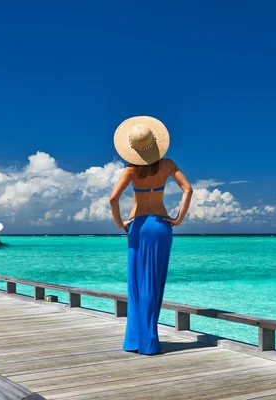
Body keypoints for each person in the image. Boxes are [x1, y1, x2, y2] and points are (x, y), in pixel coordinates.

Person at [109, 116, 193, 355]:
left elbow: (113, 198)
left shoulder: (131, 170)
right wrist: (179, 219)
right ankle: (148, 342)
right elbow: (188, 189)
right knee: (153, 283)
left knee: (136, 283)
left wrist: (119, 223)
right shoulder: (167, 165)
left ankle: (135, 341)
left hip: (137, 226)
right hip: (160, 226)